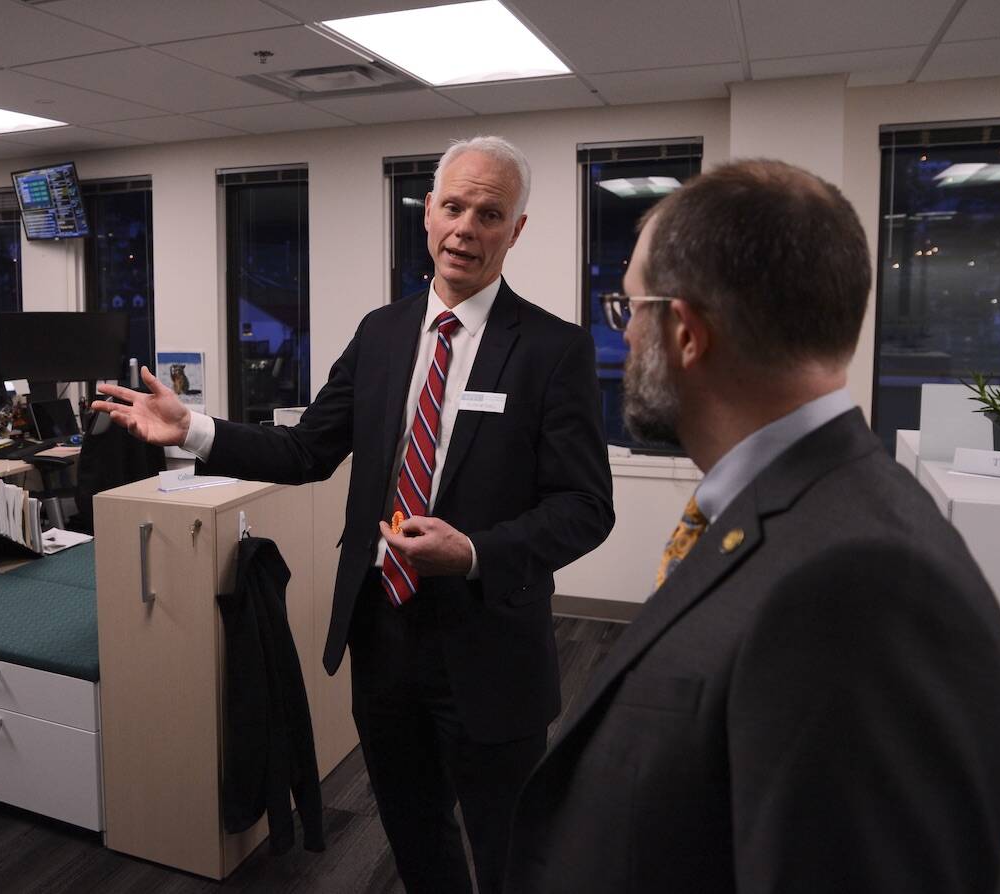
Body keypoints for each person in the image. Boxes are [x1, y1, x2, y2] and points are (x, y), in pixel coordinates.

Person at [93, 135, 614, 893]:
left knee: (507, 845)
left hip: (489, 636)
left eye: (491, 214)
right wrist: (195, 430)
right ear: (428, 214)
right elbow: (307, 451)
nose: (467, 228)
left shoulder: (552, 351)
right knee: (413, 827)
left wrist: (473, 550)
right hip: (383, 630)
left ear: (517, 230)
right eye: (455, 206)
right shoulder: (382, 333)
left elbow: (585, 508)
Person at [507, 159, 1000, 892]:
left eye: (630, 312)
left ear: (685, 333)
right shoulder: (792, 515)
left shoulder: (862, 589)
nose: (624, 343)